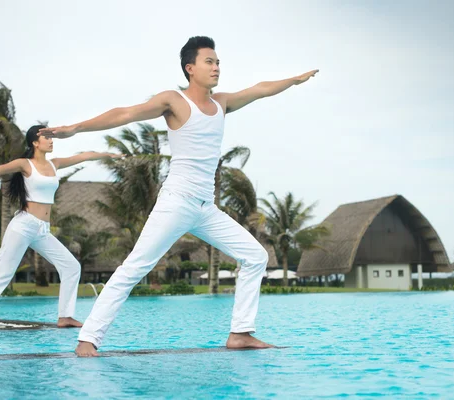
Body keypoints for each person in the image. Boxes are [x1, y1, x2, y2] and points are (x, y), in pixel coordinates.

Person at [39, 36, 319, 356]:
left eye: (218, 62)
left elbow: (259, 88)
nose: (216, 67)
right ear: (190, 68)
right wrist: (76, 128)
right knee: (135, 267)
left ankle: (241, 333)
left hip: (206, 208)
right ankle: (88, 339)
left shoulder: (221, 103)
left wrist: (294, 81)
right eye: (209, 62)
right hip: (176, 201)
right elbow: (125, 113)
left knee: (256, 257)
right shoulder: (174, 101)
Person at [0, 125, 121, 332]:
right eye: (47, 137)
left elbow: (84, 156)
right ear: (35, 142)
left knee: (71, 266)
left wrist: (108, 154)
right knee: (3, 271)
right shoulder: (25, 164)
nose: (52, 141)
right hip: (23, 225)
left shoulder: (55, 164)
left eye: (52, 137)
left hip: (42, 229)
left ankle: (65, 316)